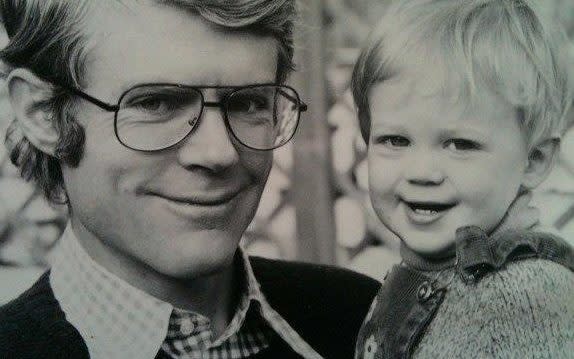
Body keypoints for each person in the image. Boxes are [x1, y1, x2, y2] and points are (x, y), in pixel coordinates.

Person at [0, 1, 380, 358]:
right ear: (42, 114)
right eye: (156, 103)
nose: (218, 152)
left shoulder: (365, 321)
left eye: (248, 102)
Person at [351, 0, 574, 358]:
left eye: (460, 144)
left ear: (534, 160)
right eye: (396, 140)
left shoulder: (526, 297)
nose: (421, 172)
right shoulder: (428, 272)